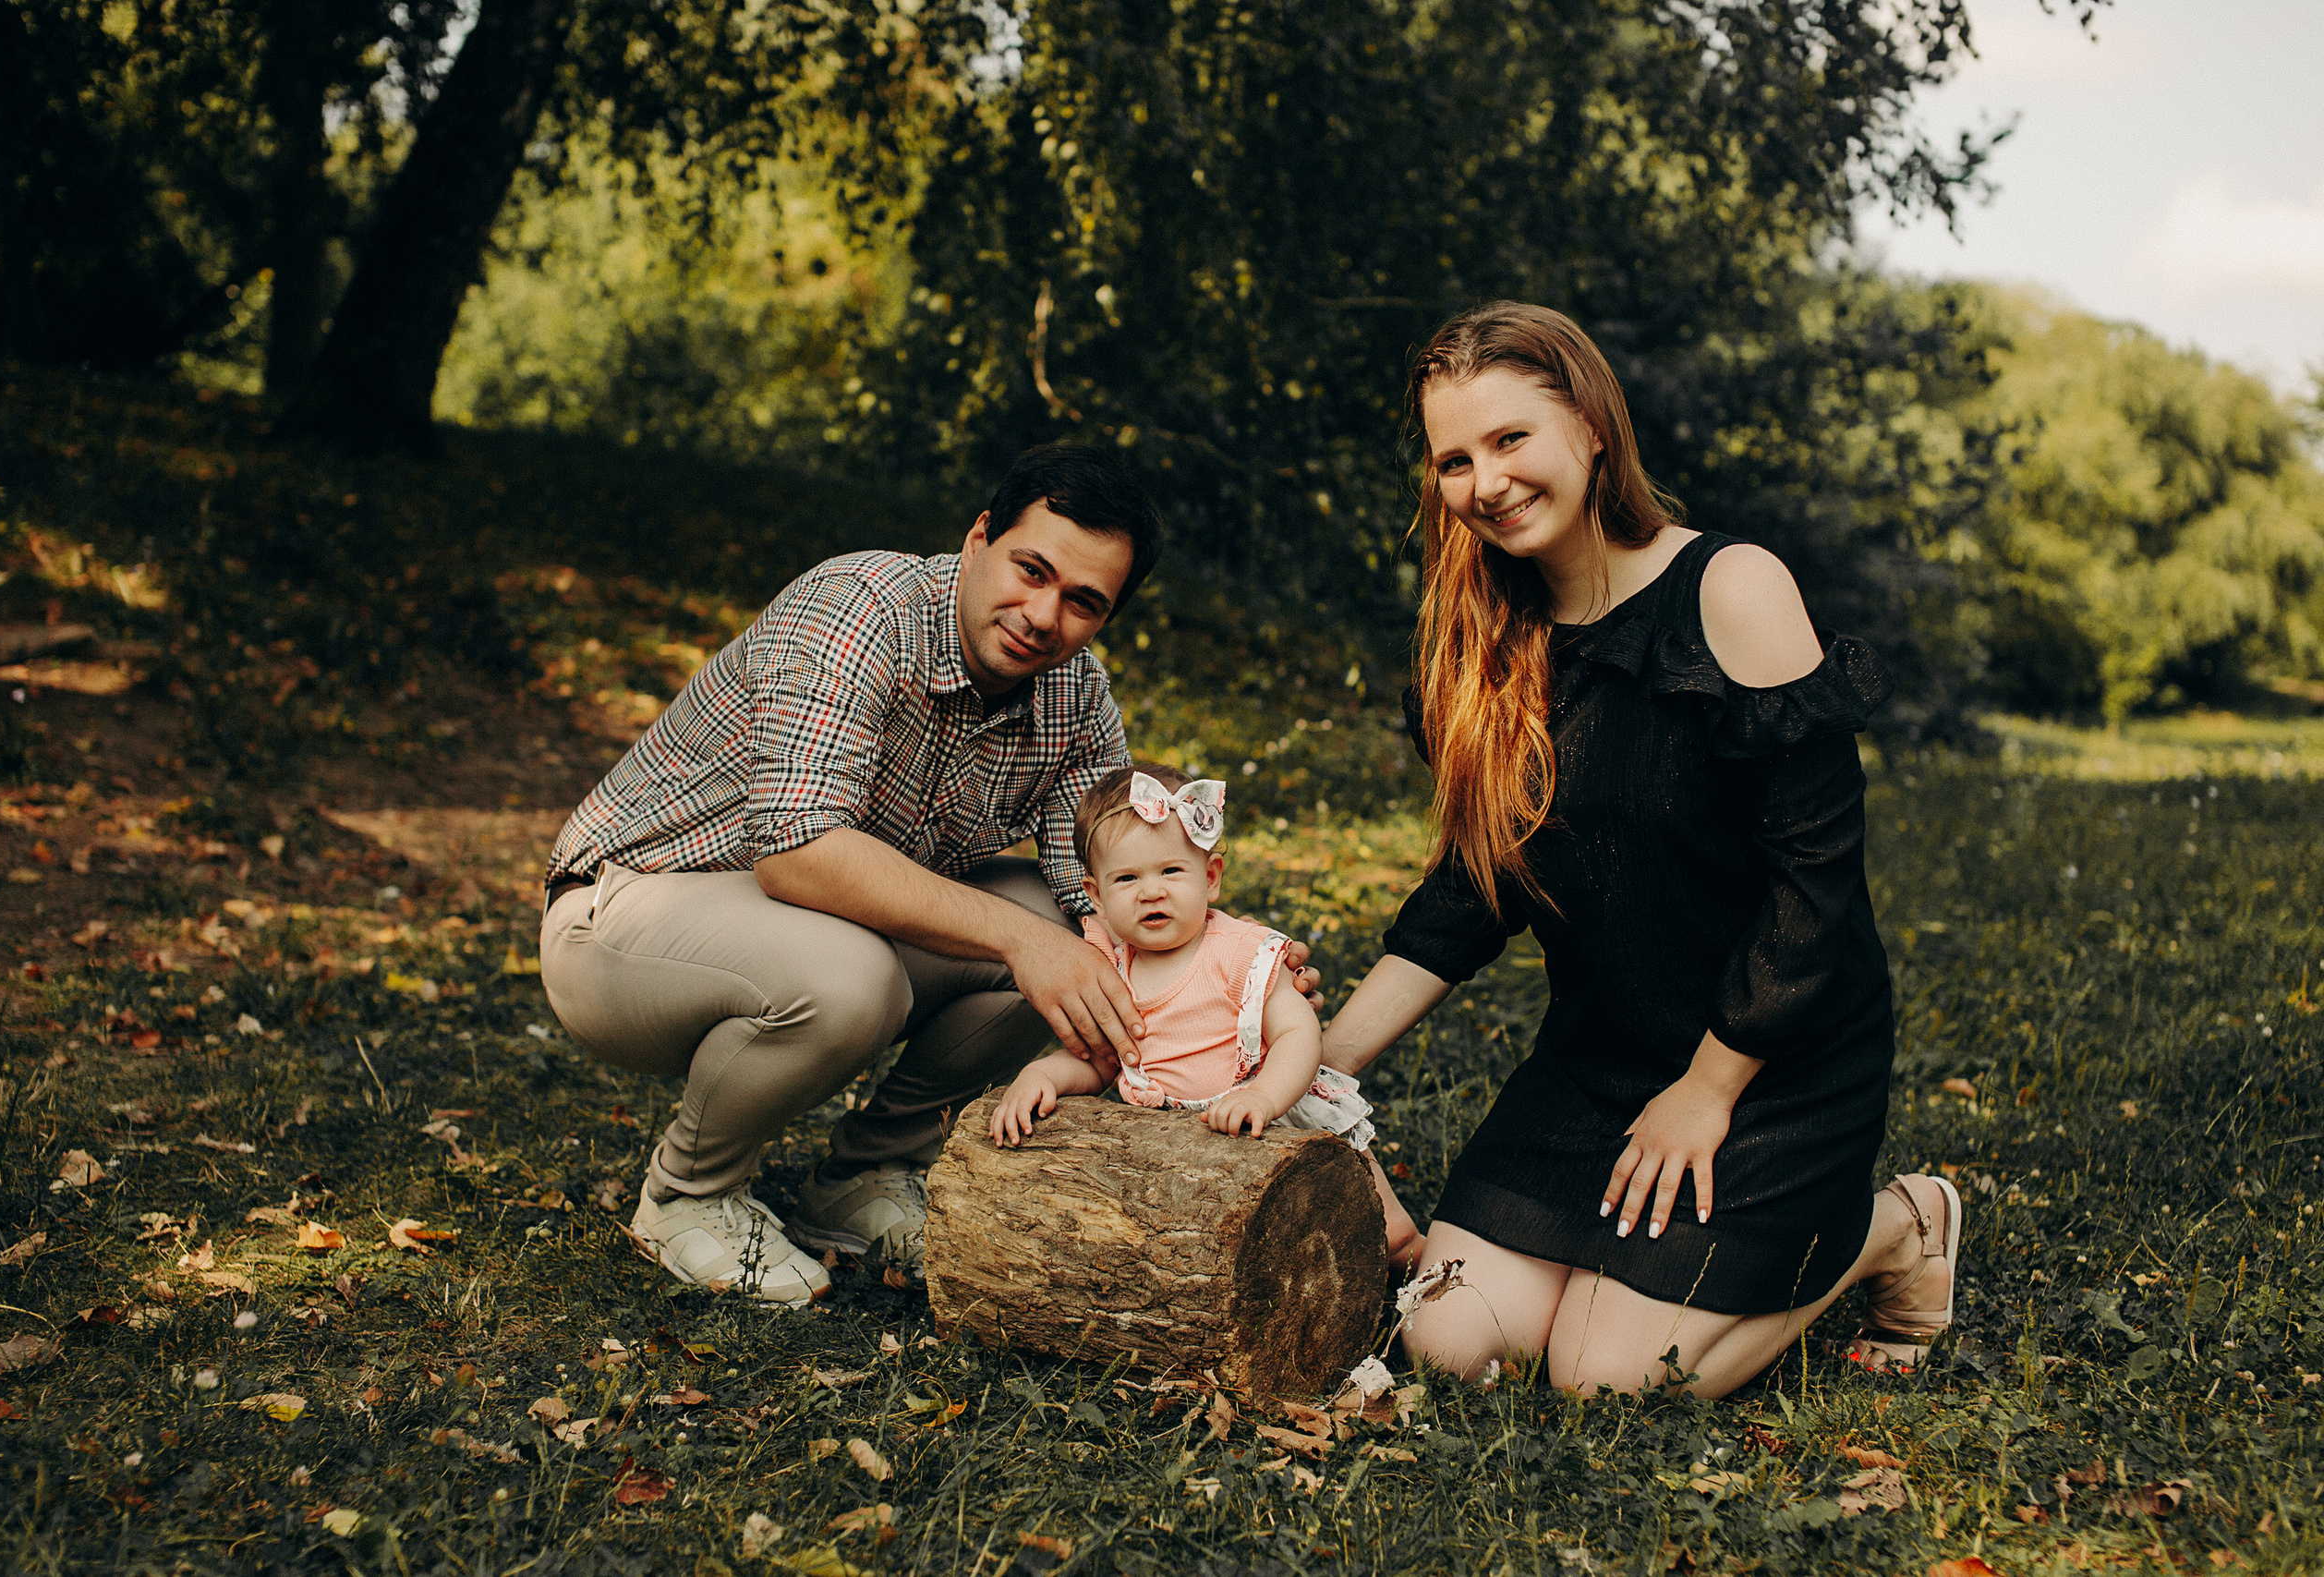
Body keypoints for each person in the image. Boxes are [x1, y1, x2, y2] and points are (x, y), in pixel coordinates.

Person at [1318, 301, 1961, 1398]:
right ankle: (1630, 1263)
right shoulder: (1486, 645)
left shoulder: (1729, 588)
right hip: (1600, 1059)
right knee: (1447, 1340)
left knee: (1608, 1380)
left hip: (1771, 1061)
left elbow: (1815, 883)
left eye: (1512, 439)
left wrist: (1707, 1092)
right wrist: (1315, 1070)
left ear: (1590, 427)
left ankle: (1895, 1225)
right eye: (1455, 460)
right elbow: (1477, 890)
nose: (1487, 482)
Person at [537, 443, 1223, 1304]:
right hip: (619, 923)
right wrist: (1017, 940)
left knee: (1067, 927)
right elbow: (796, 850)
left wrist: (1233, 977)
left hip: (816, 934)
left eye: (1083, 601)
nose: (1044, 615)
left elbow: (1106, 888)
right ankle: (687, 1195)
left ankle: (863, 1178)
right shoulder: (860, 609)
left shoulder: (1075, 696)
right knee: (881, 969)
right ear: (979, 537)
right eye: (1031, 568)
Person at [987, 764, 1424, 1268]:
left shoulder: (1240, 952)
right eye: (1127, 878)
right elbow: (1108, 1061)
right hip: (1186, 1146)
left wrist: (1263, 1095)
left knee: (1384, 1236)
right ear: (1096, 897)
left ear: (1210, 878)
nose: (1151, 891)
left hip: (1278, 1113)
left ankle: (1430, 1276)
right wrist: (1041, 1074)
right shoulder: (1110, 969)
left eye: (1171, 871)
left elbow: (1298, 1033)